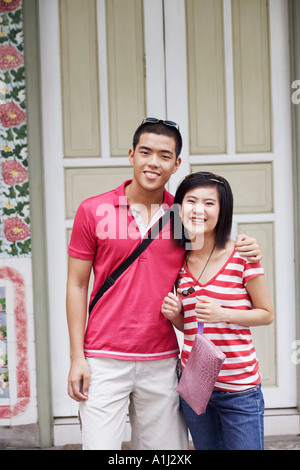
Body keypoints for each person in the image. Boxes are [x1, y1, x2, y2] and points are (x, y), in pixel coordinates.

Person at [66, 119, 262, 450]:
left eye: (164, 155)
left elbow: (216, 250)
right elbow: (76, 284)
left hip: (162, 358)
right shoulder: (93, 210)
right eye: (145, 152)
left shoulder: (182, 215)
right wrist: (76, 357)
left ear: (176, 164)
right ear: (131, 155)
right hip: (102, 356)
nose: (153, 162)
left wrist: (249, 245)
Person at [161, 171, 274, 450]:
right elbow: (190, 327)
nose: (199, 210)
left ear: (222, 211)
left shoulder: (242, 256)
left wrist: (224, 313)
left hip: (239, 391)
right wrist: (175, 314)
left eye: (209, 203)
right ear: (179, 208)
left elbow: (266, 314)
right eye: (191, 201)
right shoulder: (179, 263)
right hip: (196, 385)